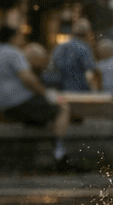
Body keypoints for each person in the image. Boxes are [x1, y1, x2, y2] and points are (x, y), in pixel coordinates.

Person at [0, 24, 71, 165]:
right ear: (12, 37)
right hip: (17, 102)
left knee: (40, 114)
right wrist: (45, 94)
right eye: (20, 36)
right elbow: (28, 78)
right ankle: (59, 151)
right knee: (62, 108)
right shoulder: (13, 52)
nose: (22, 39)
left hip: (4, 102)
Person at [44, 19, 97, 93]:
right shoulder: (84, 48)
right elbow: (92, 69)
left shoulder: (60, 47)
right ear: (87, 33)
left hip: (59, 89)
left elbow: (51, 64)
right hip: (78, 90)